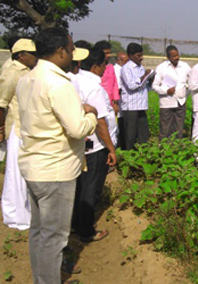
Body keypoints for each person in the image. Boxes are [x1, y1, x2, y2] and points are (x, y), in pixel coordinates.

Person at [16, 27, 98, 284]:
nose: (73, 53)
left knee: (40, 233)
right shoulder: (59, 83)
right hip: (56, 170)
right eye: (72, 49)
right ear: (61, 51)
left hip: (34, 166)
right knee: (54, 238)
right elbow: (76, 129)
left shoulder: (27, 79)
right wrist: (91, 114)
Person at [72, 48, 117, 243]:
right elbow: (100, 122)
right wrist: (111, 149)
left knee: (79, 186)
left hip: (79, 144)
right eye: (104, 65)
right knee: (90, 188)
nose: (105, 69)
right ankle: (86, 231)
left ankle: (75, 224)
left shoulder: (73, 81)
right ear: (96, 66)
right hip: (95, 145)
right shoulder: (94, 87)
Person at [0, 38, 37, 230]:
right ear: (21, 55)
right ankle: (14, 215)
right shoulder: (12, 71)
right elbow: (1, 102)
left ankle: (25, 212)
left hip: (26, 127)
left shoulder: (28, 71)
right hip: (16, 127)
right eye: (32, 54)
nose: (35, 57)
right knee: (15, 173)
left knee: (24, 171)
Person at [152, 45, 191, 140]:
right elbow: (154, 86)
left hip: (180, 103)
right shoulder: (161, 68)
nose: (176, 57)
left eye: (177, 55)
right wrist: (166, 91)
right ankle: (164, 151)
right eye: (173, 56)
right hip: (167, 103)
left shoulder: (185, 66)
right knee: (165, 130)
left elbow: (192, 81)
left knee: (179, 130)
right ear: (168, 57)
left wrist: (185, 93)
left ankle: (176, 151)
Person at [120, 43, 152, 150]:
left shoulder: (140, 68)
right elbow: (131, 85)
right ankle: (129, 157)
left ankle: (143, 156)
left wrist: (149, 80)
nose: (141, 58)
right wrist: (143, 77)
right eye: (138, 55)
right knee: (130, 135)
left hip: (141, 105)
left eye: (142, 55)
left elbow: (144, 86)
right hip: (131, 106)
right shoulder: (126, 68)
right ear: (130, 55)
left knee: (144, 134)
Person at [94, 40, 120, 115]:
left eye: (109, 53)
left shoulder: (110, 67)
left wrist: (115, 102)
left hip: (110, 103)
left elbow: (114, 84)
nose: (108, 55)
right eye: (106, 53)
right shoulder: (96, 68)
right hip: (99, 102)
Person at [113, 52, 129, 149]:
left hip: (122, 103)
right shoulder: (116, 70)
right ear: (118, 61)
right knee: (118, 127)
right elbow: (118, 88)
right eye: (126, 61)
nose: (128, 62)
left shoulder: (123, 69)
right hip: (118, 103)